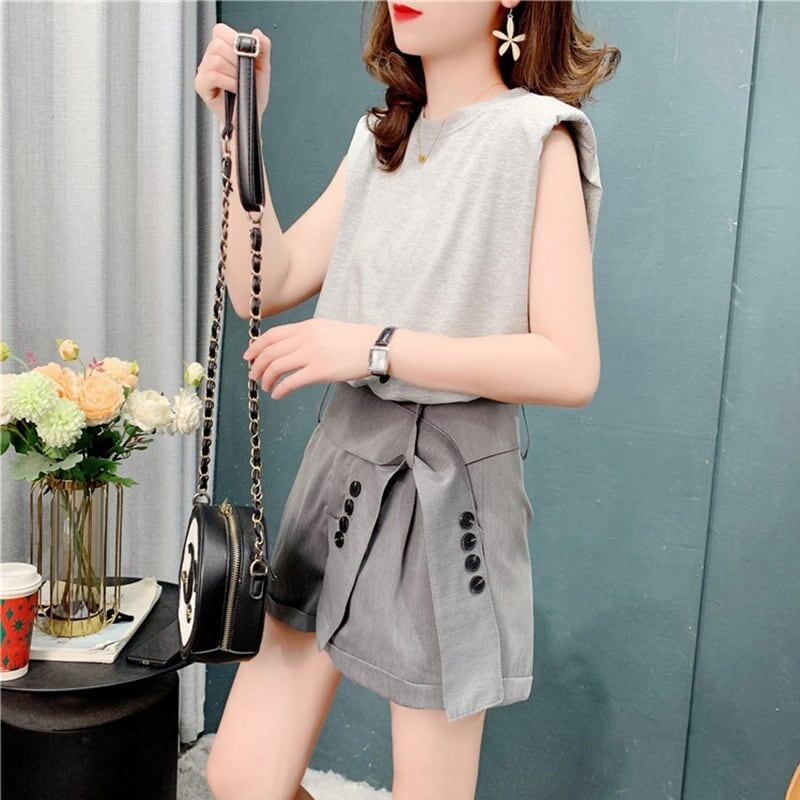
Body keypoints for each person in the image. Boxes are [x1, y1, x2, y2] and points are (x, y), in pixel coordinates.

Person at [194, 5, 620, 799]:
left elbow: (571, 365)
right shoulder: (380, 138)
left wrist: (375, 346)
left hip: (449, 484)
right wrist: (237, 131)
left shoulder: (537, 138)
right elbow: (264, 283)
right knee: (241, 775)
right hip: (341, 461)